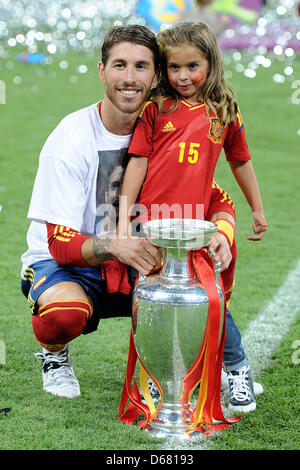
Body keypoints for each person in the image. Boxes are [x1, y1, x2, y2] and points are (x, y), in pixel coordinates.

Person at [20, 25, 258, 413]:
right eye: (119, 65)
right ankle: (53, 352)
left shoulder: (169, 125)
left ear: (155, 75)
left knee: (195, 288)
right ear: (102, 71)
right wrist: (117, 243)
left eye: (141, 67)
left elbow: (213, 195)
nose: (129, 78)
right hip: (71, 263)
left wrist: (223, 231)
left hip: (139, 259)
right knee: (65, 314)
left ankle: (224, 368)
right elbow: (59, 243)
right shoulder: (71, 141)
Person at [119, 22, 268, 412]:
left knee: (209, 298)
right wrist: (124, 224)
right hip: (153, 225)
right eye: (174, 68)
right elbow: (136, 165)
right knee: (155, 304)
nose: (183, 76)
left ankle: (236, 370)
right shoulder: (156, 109)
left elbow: (240, 160)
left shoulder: (224, 109)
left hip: (195, 227)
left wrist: (257, 208)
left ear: (211, 62)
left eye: (193, 66)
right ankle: (168, 376)